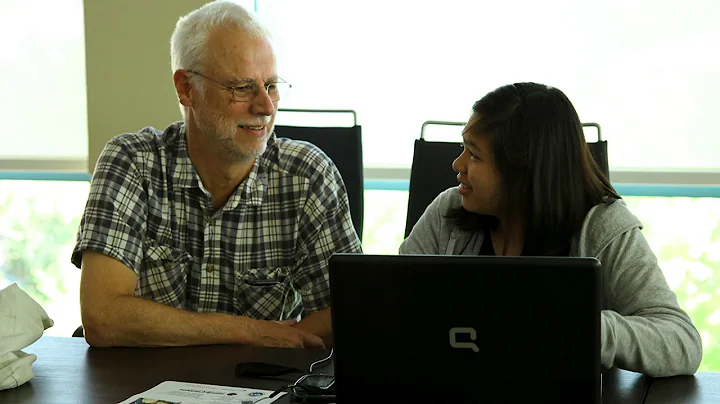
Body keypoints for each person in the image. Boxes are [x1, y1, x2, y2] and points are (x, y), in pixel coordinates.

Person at [72, 1, 361, 349]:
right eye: (242, 88)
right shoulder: (132, 162)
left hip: (261, 386)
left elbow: (347, 309)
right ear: (186, 89)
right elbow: (103, 318)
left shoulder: (307, 174)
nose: (266, 107)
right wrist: (248, 330)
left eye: (270, 85)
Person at [400, 82, 702, 377]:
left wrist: (586, 327)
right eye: (463, 149)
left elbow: (681, 341)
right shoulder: (448, 211)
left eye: (475, 155)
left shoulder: (602, 225)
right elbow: (394, 308)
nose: (457, 163)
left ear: (523, 172)